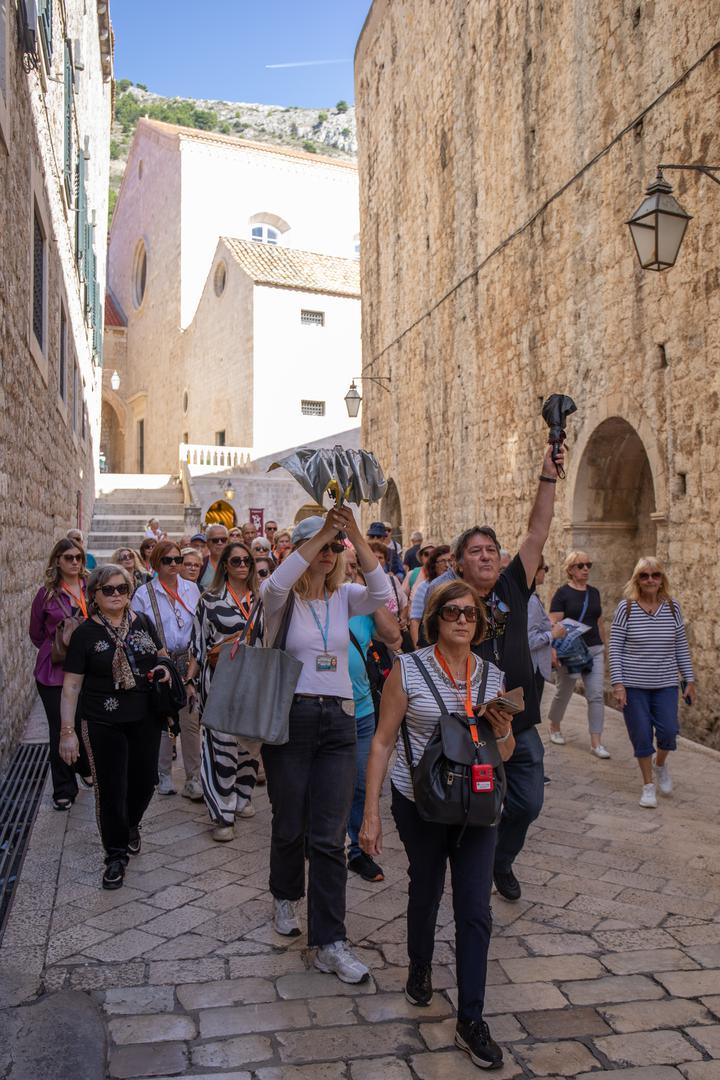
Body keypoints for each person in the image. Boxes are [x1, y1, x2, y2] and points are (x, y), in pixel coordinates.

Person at [360, 580, 514, 1070]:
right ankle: (420, 967)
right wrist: (370, 815)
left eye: (470, 613)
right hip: (420, 801)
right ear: (435, 619)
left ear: (480, 622)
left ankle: (471, 1018)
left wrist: (505, 731)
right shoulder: (406, 669)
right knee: (425, 888)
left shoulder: (493, 677)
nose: (463, 620)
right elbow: (382, 742)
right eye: (452, 612)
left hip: (478, 805)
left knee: (475, 909)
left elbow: (501, 752)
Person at [413, 442, 565, 902]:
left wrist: (547, 478)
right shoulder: (450, 603)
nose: (486, 556)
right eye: (475, 551)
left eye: (491, 550)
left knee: (529, 800)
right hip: (467, 721)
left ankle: (501, 859)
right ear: (458, 561)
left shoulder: (515, 587)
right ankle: (472, 867)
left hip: (516, 719)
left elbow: (538, 531)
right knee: (468, 803)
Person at [260, 508, 391, 984]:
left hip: (339, 720)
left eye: (335, 548)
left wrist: (352, 531)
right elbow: (276, 586)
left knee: (331, 836)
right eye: (321, 546)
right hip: (291, 718)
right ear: (301, 548)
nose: (329, 553)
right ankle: (283, 893)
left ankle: (330, 941)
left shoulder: (345, 597)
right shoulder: (280, 598)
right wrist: (318, 537)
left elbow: (383, 592)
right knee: (289, 821)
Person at [60, 564, 170, 889]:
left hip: (145, 716)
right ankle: (115, 855)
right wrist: (68, 733)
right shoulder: (85, 633)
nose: (116, 595)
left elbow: (161, 655)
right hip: (102, 720)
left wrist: (163, 668)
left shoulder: (143, 623)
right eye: (108, 589)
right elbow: (70, 687)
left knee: (146, 781)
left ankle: (130, 824)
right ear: (95, 593)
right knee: (111, 789)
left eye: (122, 588)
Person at [187, 541, 263, 840]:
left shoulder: (261, 599)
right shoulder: (209, 600)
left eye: (247, 561)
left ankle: (241, 796)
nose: (242, 565)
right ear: (225, 566)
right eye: (236, 561)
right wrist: (190, 682)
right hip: (219, 681)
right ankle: (223, 813)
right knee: (220, 746)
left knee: (248, 745)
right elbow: (197, 643)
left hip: (254, 682)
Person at [609, 557, 695, 808]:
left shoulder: (672, 608)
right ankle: (648, 786)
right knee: (642, 735)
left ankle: (660, 765)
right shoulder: (626, 608)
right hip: (634, 686)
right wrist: (618, 684)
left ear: (661, 579)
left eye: (655, 575)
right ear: (637, 579)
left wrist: (688, 678)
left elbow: (681, 645)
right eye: (644, 576)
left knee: (669, 732)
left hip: (666, 683)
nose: (650, 580)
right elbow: (615, 648)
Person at [344, 546, 402, 883]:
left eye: (356, 567)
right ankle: (316, 839)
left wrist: (370, 583)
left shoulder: (364, 603)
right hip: (321, 709)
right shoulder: (317, 601)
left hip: (363, 708)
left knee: (364, 784)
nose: (351, 571)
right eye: (347, 565)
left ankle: (358, 851)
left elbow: (394, 635)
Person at [132, 541, 202, 799]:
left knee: (191, 719)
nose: (174, 564)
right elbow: (137, 631)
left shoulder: (192, 589)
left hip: (187, 659)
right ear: (156, 563)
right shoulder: (144, 594)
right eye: (168, 560)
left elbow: (199, 626)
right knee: (162, 719)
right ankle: (163, 774)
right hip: (159, 661)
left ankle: (194, 776)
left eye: (178, 559)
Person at [29, 538, 92, 809]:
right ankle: (64, 788)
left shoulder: (93, 589)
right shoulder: (46, 594)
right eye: (68, 557)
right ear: (57, 561)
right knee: (60, 728)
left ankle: (83, 765)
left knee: (82, 723)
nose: (75, 562)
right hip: (54, 670)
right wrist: (58, 645)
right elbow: (35, 633)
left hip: (89, 667)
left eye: (79, 557)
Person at [548, 551, 609, 758]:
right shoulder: (562, 593)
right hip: (571, 652)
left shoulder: (594, 593)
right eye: (581, 566)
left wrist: (604, 646)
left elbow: (599, 621)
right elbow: (554, 622)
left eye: (588, 565)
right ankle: (554, 726)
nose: (585, 569)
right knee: (564, 691)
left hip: (594, 649)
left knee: (596, 695)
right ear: (570, 570)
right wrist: (553, 648)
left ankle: (596, 742)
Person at [527, 560, 566, 704]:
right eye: (545, 568)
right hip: (533, 668)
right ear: (535, 571)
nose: (546, 572)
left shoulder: (531, 597)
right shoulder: (530, 600)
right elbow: (529, 640)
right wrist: (552, 634)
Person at [409, 546, 453, 647]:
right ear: (433, 565)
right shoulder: (424, 587)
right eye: (442, 561)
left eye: (450, 560)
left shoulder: (459, 585)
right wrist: (418, 649)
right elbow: (416, 620)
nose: (447, 565)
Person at [198, 523, 228, 589]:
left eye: (223, 540)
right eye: (215, 540)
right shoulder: (200, 564)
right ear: (207, 543)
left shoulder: (235, 563)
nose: (220, 543)